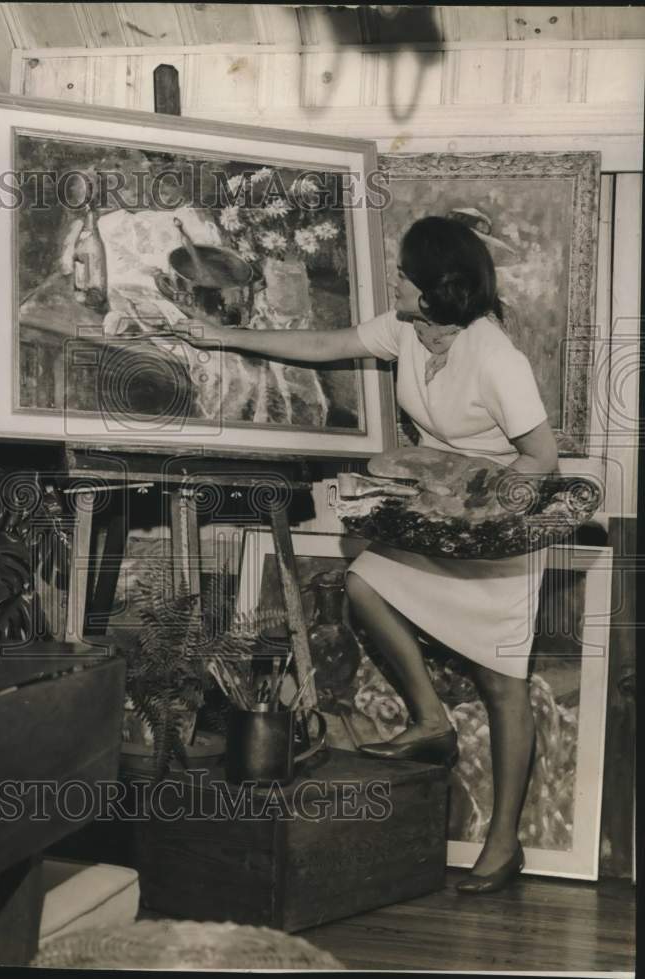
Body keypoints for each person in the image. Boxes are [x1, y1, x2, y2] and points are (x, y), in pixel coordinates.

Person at [175, 216, 558, 894]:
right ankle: (431, 719)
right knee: (363, 585)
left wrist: (448, 473)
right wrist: (225, 335)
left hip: (493, 532)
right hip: (434, 523)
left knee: (503, 683)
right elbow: (329, 342)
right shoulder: (406, 329)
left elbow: (541, 459)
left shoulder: (497, 358)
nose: (397, 281)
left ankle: (503, 843)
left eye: (407, 274)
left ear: (438, 288)